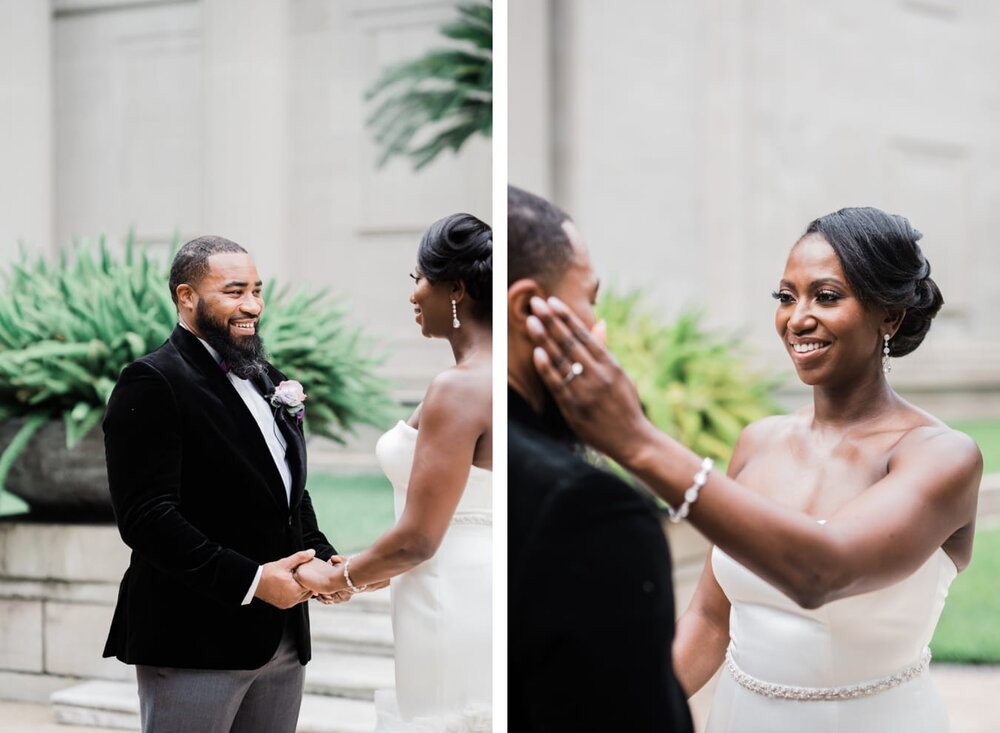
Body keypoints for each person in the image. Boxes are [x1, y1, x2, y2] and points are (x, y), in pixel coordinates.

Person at [526, 206, 983, 733]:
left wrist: (635, 440)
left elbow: (822, 573)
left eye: (826, 296)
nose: (797, 318)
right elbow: (709, 620)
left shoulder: (940, 455)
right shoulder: (759, 441)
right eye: (786, 297)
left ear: (890, 316)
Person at [103, 236, 341, 733]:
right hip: (195, 639)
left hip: (283, 642)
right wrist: (253, 582)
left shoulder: (269, 378)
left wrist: (320, 557)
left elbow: (287, 494)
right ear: (187, 297)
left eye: (256, 290)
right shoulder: (151, 381)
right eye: (234, 292)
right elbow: (147, 518)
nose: (252, 305)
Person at [293, 213, 493, 732]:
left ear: (457, 289)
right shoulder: (504, 374)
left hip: (449, 593)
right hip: (467, 580)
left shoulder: (461, 387)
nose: (413, 296)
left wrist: (337, 577)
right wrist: (372, 568)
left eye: (419, 280)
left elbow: (420, 539)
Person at [507, 186, 694, 732]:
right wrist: (631, 439)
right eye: (590, 299)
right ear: (527, 309)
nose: (598, 326)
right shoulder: (592, 509)